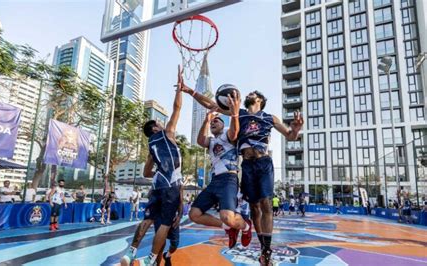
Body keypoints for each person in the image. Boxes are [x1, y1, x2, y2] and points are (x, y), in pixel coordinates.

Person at [181, 82, 303, 264]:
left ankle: (266, 251)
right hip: (246, 165)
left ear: (260, 100)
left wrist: (296, 128)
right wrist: (190, 90)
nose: (249, 93)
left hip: (263, 162)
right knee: (254, 207)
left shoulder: (271, 118)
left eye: (253, 92)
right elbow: (210, 104)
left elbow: (290, 136)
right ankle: (257, 239)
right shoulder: (240, 113)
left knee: (266, 205)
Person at [121, 66, 184, 266]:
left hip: (157, 186)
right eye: (159, 122)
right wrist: (179, 88)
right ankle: (150, 259)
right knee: (164, 224)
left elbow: (146, 172)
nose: (162, 122)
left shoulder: (150, 146)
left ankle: (130, 253)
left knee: (147, 220)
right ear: (156, 128)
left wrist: (159, 169)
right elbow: (177, 108)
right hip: (170, 185)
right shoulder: (168, 134)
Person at [189, 103, 252, 249]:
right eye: (212, 122)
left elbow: (235, 130)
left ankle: (246, 227)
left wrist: (234, 114)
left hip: (229, 179)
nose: (213, 122)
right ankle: (228, 228)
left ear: (224, 125)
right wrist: (206, 120)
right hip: (214, 180)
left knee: (227, 216)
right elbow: (200, 140)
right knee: (194, 214)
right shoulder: (210, 141)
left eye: (216, 120)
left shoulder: (228, 135)